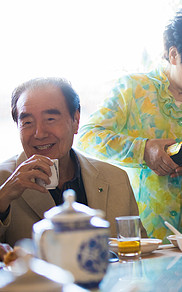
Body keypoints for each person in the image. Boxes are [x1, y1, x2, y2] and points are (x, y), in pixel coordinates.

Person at [76, 7, 182, 240]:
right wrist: (143, 149)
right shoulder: (133, 90)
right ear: (174, 55)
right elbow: (87, 137)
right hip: (143, 234)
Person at [0, 78, 146, 248]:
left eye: (50, 119)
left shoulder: (115, 179)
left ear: (75, 120)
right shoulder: (4, 179)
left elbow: (140, 253)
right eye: (27, 123)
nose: (39, 133)